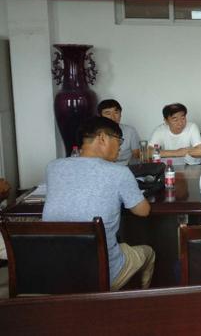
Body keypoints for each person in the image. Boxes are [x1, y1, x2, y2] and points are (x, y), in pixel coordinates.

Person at [42, 117, 155, 291]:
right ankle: (138, 301)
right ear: (102, 138)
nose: (120, 147)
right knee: (149, 253)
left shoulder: (53, 167)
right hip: (104, 273)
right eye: (119, 141)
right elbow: (143, 211)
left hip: (56, 273)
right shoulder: (119, 172)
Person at [98, 99, 140, 164]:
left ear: (120, 114)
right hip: (104, 167)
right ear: (100, 116)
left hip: (126, 166)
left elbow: (136, 154)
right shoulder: (95, 133)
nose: (112, 117)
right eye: (108, 113)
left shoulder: (130, 131)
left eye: (116, 112)